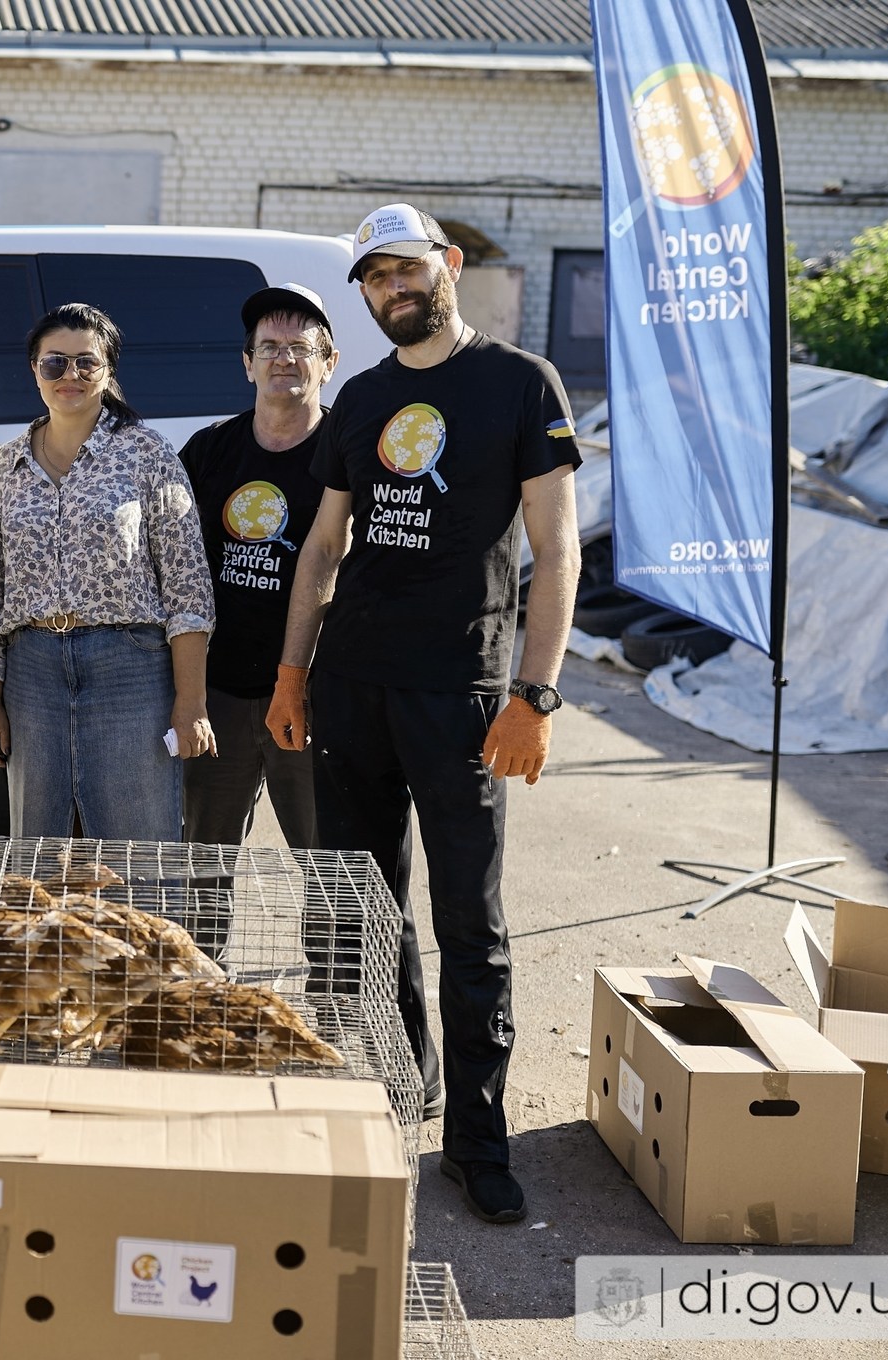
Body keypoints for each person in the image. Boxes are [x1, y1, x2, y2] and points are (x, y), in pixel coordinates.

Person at [266, 204, 581, 1225]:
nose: (391, 289)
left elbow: (556, 549)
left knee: (469, 923)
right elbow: (322, 547)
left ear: (446, 264)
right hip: (352, 683)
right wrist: (291, 673)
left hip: (462, 693)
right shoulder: (359, 398)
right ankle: (397, 1085)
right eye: (373, 277)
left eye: (404, 269)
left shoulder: (520, 382)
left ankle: (476, 1144)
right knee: (362, 910)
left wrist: (533, 693)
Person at [0, 303, 216, 842]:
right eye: (54, 363)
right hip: (32, 674)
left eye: (86, 362)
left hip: (129, 667)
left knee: (141, 854)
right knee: (40, 856)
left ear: (107, 372)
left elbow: (188, 588)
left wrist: (191, 702)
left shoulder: (147, 452)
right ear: (34, 369)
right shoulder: (6, 466)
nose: (71, 375)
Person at [178, 283, 340, 850]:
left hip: (317, 694)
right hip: (219, 694)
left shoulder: (349, 452)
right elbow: (171, 566)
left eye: (300, 347)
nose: (283, 359)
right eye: (269, 347)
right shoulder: (208, 450)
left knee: (330, 868)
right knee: (203, 864)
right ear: (248, 363)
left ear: (329, 363)